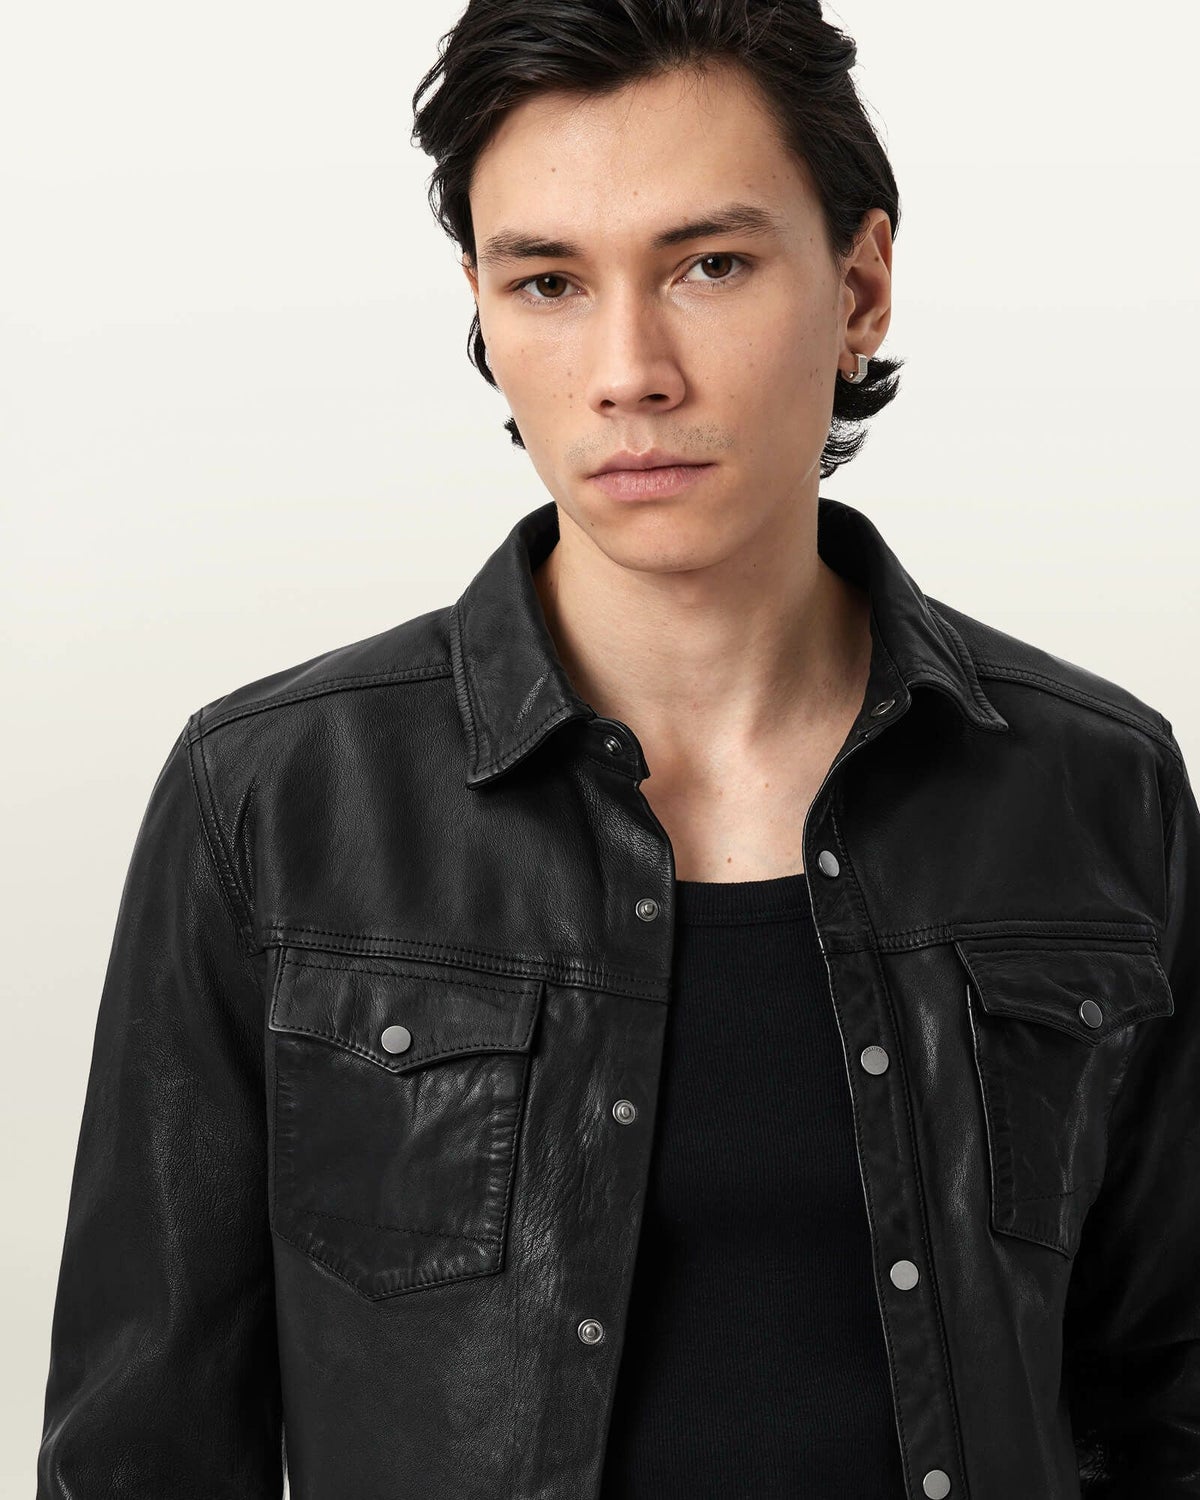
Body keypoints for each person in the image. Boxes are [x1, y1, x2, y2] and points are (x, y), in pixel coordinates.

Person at [36, 2, 1199, 1497]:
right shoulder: (273, 801)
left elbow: (1172, 1403)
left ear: (858, 287)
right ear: (482, 310)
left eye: (710, 266)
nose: (629, 371)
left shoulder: (1096, 787)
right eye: (549, 282)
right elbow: (141, 1454)